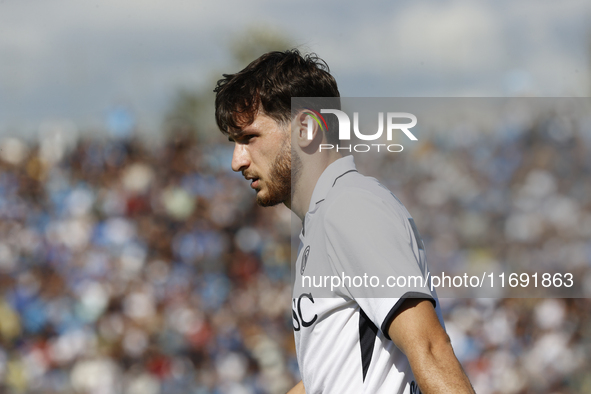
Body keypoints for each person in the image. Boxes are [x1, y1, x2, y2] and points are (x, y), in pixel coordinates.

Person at [214, 49, 474, 394]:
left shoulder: (351, 207)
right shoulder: (326, 218)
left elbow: (429, 347)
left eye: (249, 138)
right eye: (234, 143)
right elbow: (335, 377)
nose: (237, 161)